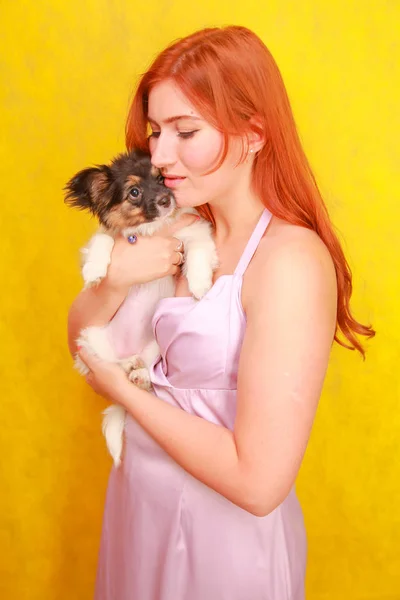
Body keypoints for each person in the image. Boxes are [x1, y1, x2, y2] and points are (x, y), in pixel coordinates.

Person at [67, 25, 374, 600]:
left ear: (254, 133)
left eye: (186, 132)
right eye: (157, 132)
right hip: (140, 513)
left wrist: (126, 391)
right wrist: (113, 284)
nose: (159, 156)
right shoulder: (175, 230)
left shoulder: (290, 263)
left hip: (219, 544)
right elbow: (83, 342)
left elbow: (259, 483)